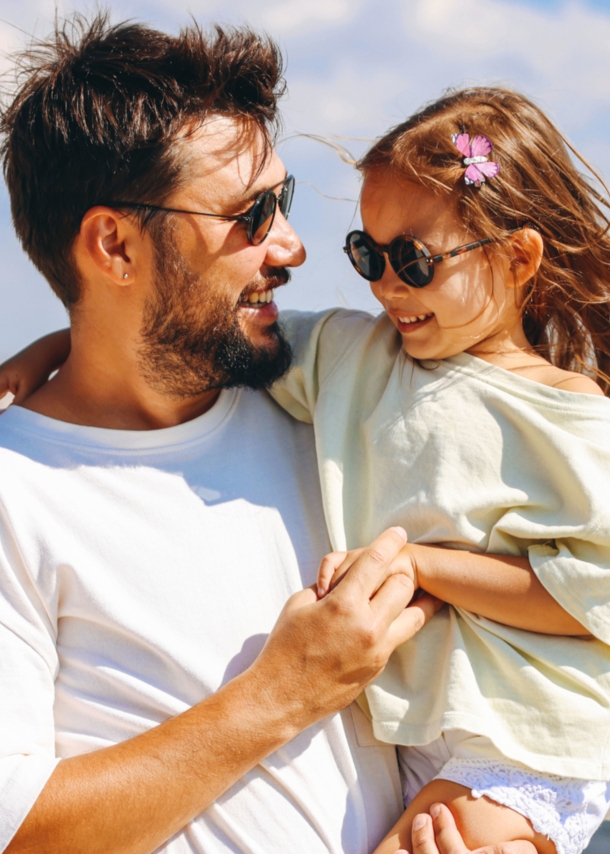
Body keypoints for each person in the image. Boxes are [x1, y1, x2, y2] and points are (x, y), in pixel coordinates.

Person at [0, 21, 596, 854]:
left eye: (281, 201)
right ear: (112, 245)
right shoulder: (15, 490)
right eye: (251, 214)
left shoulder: (338, 411)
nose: (293, 245)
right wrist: (280, 693)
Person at [265, 88, 610, 854]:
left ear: (518, 257)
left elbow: (586, 600)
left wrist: (421, 565)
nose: (387, 284)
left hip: (528, 737)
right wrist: (51, 352)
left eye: (414, 260)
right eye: (369, 254)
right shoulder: (348, 357)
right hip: (416, 727)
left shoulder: (569, 410)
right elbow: (212, 344)